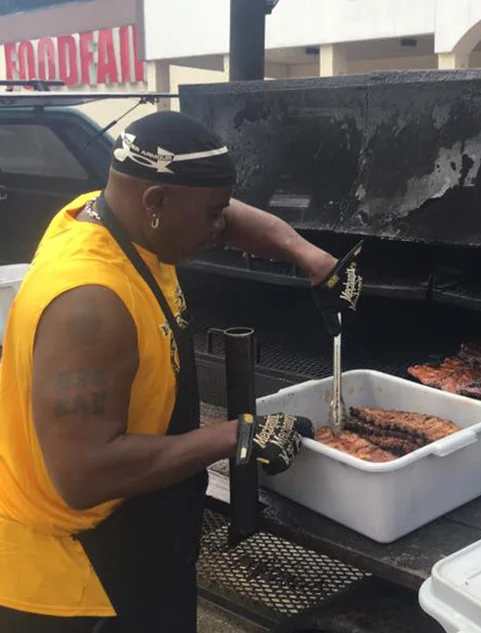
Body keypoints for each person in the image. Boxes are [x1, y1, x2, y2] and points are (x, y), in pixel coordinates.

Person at [0, 111, 362, 632]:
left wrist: (310, 258)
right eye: (212, 216)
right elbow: (83, 476)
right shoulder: (90, 305)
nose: (222, 228)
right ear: (155, 203)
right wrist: (237, 435)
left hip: (132, 535)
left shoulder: (111, 214)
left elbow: (223, 211)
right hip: (75, 579)